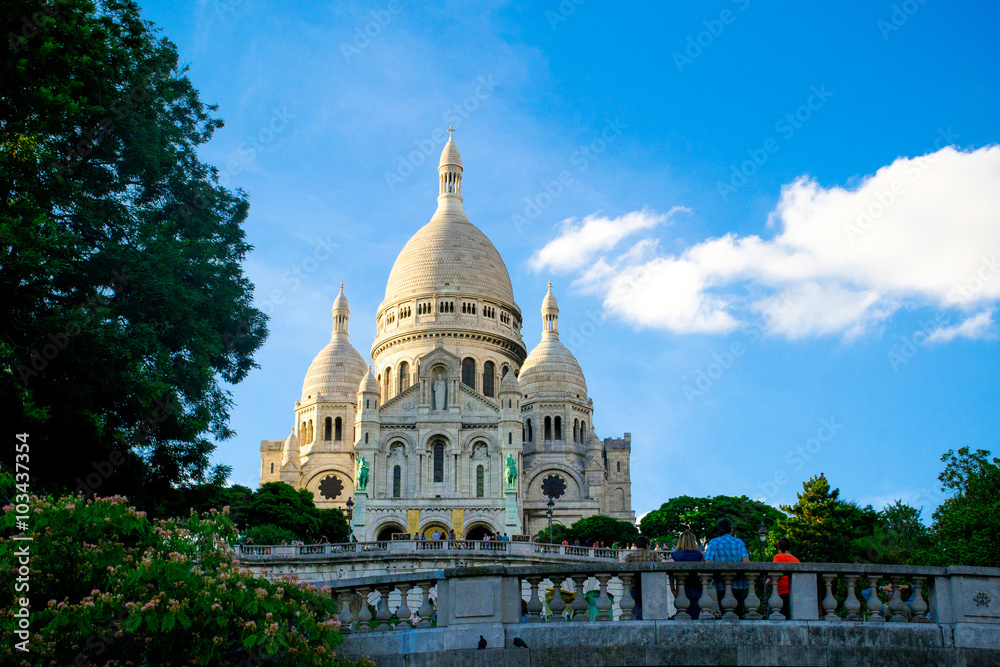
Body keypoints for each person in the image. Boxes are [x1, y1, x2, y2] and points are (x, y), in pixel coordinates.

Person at [704, 518, 750, 618]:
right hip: (738, 582)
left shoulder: (713, 542)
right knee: (739, 613)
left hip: (721, 582)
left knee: (724, 612)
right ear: (731, 529)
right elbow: (746, 562)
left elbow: (708, 561)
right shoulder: (739, 542)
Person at [620, 535, 661, 620]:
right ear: (647, 545)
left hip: (635, 585)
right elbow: (663, 562)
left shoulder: (631, 555)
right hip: (650, 587)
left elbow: (621, 562)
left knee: (637, 612)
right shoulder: (652, 554)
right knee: (651, 612)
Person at [671, 530, 704, 619]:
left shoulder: (676, 555)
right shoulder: (698, 554)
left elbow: (670, 573)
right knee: (694, 616)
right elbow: (705, 562)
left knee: (681, 616)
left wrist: (672, 588)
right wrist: (699, 550)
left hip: (681, 587)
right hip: (696, 586)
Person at [769, 537, 800, 619]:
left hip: (780, 592)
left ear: (778, 547)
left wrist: (768, 581)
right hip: (792, 593)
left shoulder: (778, 557)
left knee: (772, 617)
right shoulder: (796, 560)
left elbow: (775, 574)